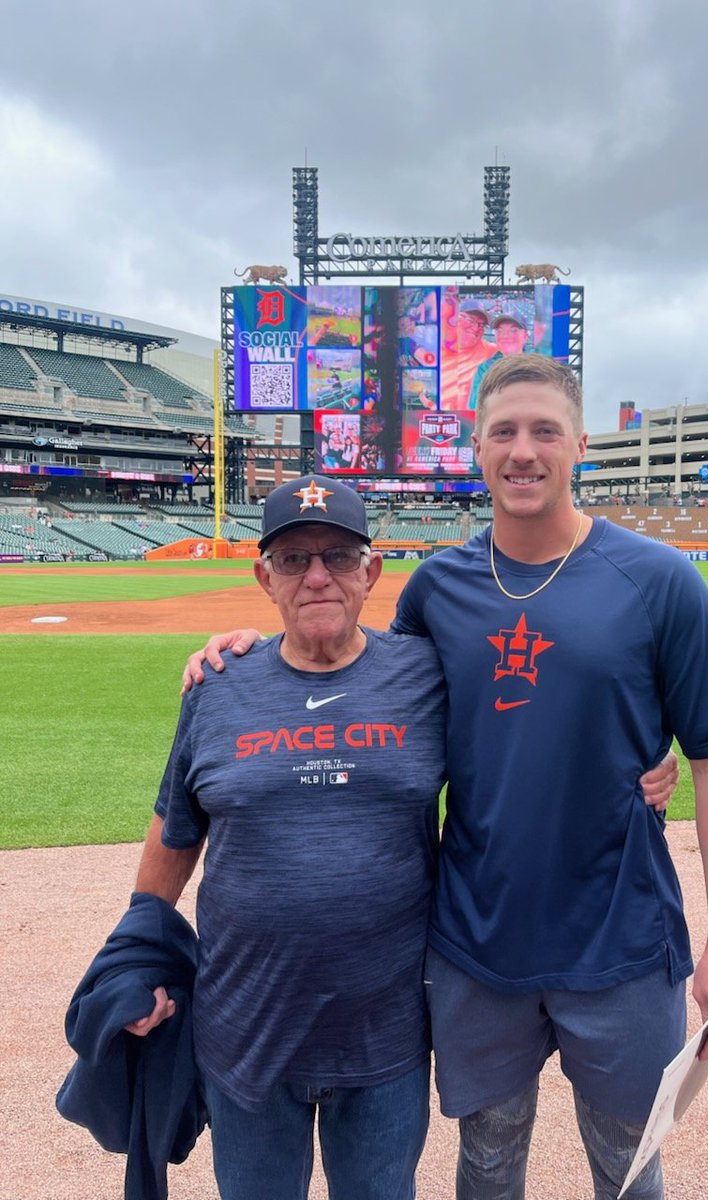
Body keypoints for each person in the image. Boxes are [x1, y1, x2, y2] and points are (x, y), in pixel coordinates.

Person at [184, 354, 708, 1200]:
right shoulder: (438, 587)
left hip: (622, 934)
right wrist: (247, 656)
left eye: (544, 430)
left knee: (630, 1166)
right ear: (475, 451)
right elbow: (357, 670)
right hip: (477, 938)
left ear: (579, 445)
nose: (524, 450)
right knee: (485, 1162)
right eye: (504, 432)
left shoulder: (659, 581)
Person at [126, 477, 450, 1200]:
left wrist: (642, 759)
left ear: (372, 571)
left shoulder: (427, 676)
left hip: (386, 1037)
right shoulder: (217, 683)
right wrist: (136, 957)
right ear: (263, 575)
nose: (316, 576)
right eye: (294, 558)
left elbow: (526, 742)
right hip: (245, 1032)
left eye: (338, 556)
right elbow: (175, 833)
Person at [466, 313, 530, 409]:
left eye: (514, 330)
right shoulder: (485, 368)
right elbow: (475, 407)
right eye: (500, 331)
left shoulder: (538, 367)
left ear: (525, 336)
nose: (506, 336)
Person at [439, 304, 497, 410]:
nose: (476, 328)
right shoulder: (432, 347)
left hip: (474, 421)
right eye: (470, 320)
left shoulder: (492, 350)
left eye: (481, 325)